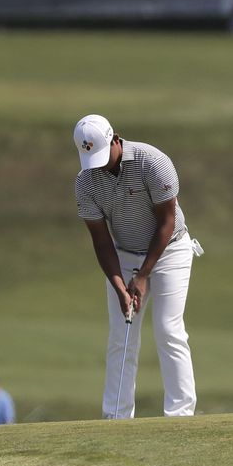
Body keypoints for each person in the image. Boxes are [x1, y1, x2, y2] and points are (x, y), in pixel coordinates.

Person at [73, 114, 201, 418]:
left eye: (103, 155)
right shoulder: (85, 182)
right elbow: (101, 241)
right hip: (124, 253)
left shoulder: (152, 162)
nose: (100, 165)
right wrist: (120, 286)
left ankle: (180, 415)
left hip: (170, 249)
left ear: (116, 139)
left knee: (168, 328)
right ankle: (116, 416)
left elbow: (167, 223)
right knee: (122, 336)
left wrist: (143, 276)